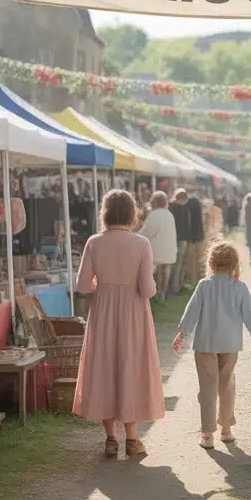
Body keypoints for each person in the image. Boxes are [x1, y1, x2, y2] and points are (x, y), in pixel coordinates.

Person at [73, 190, 165, 458]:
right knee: (130, 368)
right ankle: (133, 440)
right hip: (133, 313)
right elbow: (147, 290)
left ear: (105, 212)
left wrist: (102, 285)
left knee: (104, 368)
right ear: (131, 213)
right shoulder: (141, 244)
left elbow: (81, 285)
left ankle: (111, 439)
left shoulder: (94, 242)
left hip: (102, 311)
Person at [172, 241, 251, 449]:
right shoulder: (240, 287)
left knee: (207, 388)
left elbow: (191, 312)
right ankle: (226, 429)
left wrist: (182, 333)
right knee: (226, 386)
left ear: (210, 263)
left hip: (205, 344)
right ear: (235, 265)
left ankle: (208, 434)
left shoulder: (204, 285)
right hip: (230, 345)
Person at [138, 191, 178, 301]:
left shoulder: (154, 215)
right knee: (166, 271)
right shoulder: (169, 214)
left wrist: (136, 236)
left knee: (157, 273)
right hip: (169, 248)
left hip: (157, 249)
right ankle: (163, 294)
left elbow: (147, 232)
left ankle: (156, 295)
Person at [170, 188, 192, 297]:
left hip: (172, 239)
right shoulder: (185, 209)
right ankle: (175, 288)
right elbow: (187, 225)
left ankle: (170, 288)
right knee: (178, 264)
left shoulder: (170, 207)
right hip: (182, 239)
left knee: (171, 264)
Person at [186, 188, 207, 282]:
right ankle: (203, 278)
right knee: (201, 260)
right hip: (200, 236)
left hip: (190, 237)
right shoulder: (199, 206)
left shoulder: (187, 208)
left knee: (192, 261)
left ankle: (194, 280)